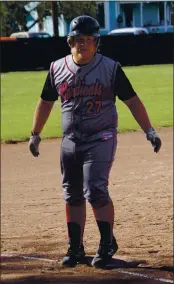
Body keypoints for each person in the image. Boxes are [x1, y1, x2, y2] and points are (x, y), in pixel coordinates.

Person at [29, 15, 162, 268]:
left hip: (101, 137)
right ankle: (76, 248)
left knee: (95, 189)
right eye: (79, 40)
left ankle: (106, 245)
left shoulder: (110, 68)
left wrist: (150, 131)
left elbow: (132, 100)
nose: (84, 45)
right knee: (72, 194)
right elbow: (46, 102)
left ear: (97, 43)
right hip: (70, 141)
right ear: (71, 42)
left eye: (90, 40)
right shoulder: (57, 68)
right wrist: (35, 133)